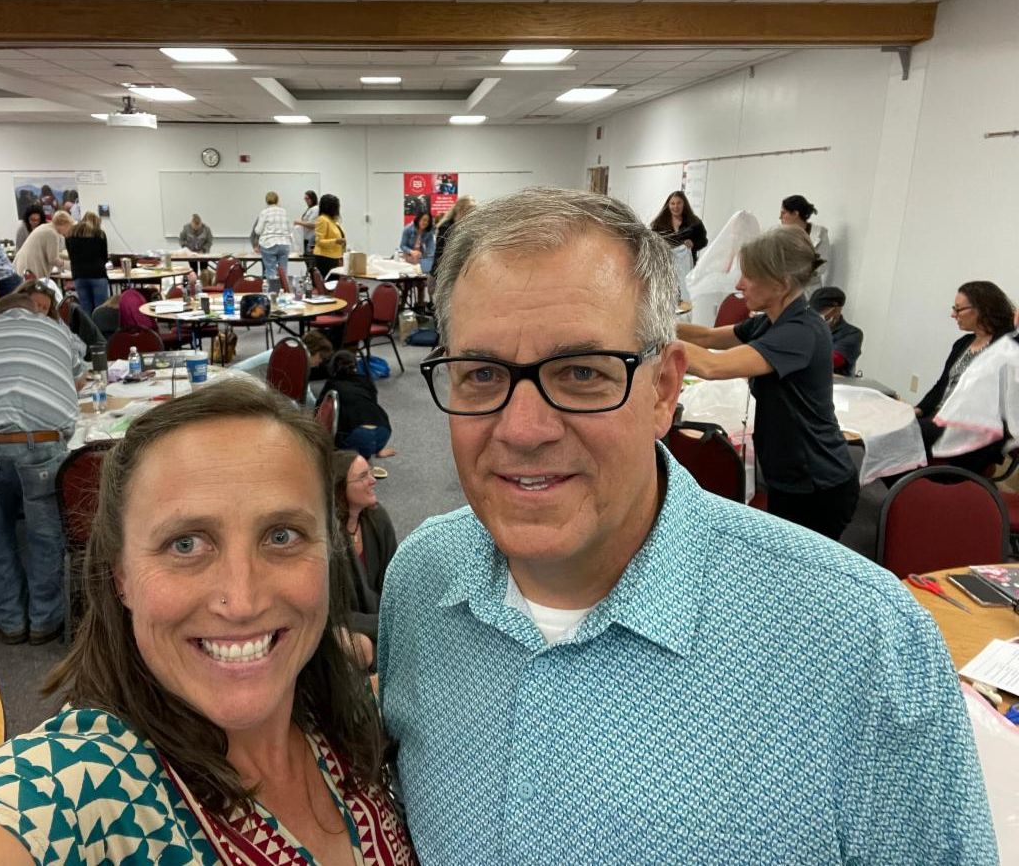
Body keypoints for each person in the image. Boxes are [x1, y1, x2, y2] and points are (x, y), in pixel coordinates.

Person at [377, 187, 995, 864]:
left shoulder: (864, 646)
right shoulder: (420, 579)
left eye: (582, 372)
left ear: (664, 391)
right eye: (481, 373)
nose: (523, 429)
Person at [0, 381, 416, 866]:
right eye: (186, 543)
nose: (242, 599)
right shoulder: (85, 782)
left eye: (281, 536)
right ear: (121, 576)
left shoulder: (353, 717)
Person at [677, 227, 859, 540]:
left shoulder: (800, 332)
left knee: (797, 566)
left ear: (781, 283)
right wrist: (657, 323)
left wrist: (650, 340)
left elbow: (712, 365)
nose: (739, 285)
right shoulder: (771, 321)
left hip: (817, 484)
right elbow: (707, 338)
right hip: (788, 475)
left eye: (749, 276)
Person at [0, 293, 85, 644]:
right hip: (38, 440)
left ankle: (10, 622)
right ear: (35, 310)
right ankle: (44, 621)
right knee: (45, 535)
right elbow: (79, 379)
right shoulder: (55, 330)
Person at [914, 280, 1014, 474]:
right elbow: (942, 385)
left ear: (982, 309)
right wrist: (917, 410)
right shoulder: (963, 343)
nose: (953, 314)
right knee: (899, 427)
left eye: (958, 309)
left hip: (973, 429)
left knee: (902, 435)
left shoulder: (1007, 347)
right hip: (941, 420)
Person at [330, 449, 399, 670]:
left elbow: (396, 581)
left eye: (370, 472)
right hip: (346, 625)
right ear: (340, 488)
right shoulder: (327, 540)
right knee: (355, 645)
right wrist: (391, 624)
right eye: (362, 477)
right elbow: (332, 615)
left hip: (380, 619)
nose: (372, 480)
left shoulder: (378, 518)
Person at [318, 351, 395, 467]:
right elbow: (372, 403)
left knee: (339, 440)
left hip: (358, 435)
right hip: (383, 432)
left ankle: (359, 455)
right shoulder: (366, 380)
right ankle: (374, 450)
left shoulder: (332, 384)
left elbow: (320, 412)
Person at [231, 330, 334, 407]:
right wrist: (319, 411)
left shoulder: (295, 350)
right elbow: (305, 395)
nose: (319, 363)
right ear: (315, 349)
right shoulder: (299, 357)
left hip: (237, 376)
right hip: (237, 383)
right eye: (321, 357)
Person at [780, 194, 830, 291]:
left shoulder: (819, 234)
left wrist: (797, 271)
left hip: (810, 291)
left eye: (783, 213)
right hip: (787, 290)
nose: (780, 217)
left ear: (795, 214)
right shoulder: (781, 236)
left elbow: (822, 266)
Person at [64, 210, 110, 317]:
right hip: (98, 275)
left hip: (79, 275)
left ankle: (87, 327)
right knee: (100, 309)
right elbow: (104, 256)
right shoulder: (99, 234)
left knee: (85, 308)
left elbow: (70, 255)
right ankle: (99, 327)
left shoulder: (70, 235)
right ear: (96, 222)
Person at [810, 285, 863, 377]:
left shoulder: (852, 334)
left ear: (837, 310)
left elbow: (831, 361)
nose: (816, 314)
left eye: (822, 310)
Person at [649, 190, 707, 262]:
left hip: (688, 264)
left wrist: (693, 243)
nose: (676, 206)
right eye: (672, 203)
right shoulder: (659, 223)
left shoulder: (694, 222)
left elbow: (703, 240)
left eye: (679, 203)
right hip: (666, 264)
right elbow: (652, 241)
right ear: (668, 205)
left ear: (684, 204)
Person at [14, 210, 73, 280]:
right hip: (31, 269)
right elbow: (53, 259)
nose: (68, 230)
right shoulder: (52, 233)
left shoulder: (45, 227)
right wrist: (71, 265)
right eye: (68, 227)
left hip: (23, 266)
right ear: (63, 224)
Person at [432, 195, 475, 279]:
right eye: (470, 211)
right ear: (461, 210)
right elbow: (441, 254)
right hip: (441, 274)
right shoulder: (446, 227)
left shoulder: (466, 226)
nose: (471, 215)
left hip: (455, 272)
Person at [254, 191, 293, 277]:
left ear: (266, 201)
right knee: (283, 272)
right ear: (277, 200)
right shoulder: (284, 211)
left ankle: (272, 285)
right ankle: (284, 285)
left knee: (271, 271)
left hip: (269, 243)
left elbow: (258, 231)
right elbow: (290, 229)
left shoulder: (264, 212)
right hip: (284, 243)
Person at [312, 193, 346, 279]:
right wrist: (335, 241)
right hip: (324, 258)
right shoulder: (322, 219)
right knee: (328, 283)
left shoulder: (333, 221)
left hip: (334, 257)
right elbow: (319, 241)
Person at [294, 190, 319, 263]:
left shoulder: (316, 209)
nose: (306, 201)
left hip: (311, 240)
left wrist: (299, 222)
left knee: (311, 262)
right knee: (307, 261)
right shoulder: (310, 209)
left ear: (313, 198)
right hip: (306, 239)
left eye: (308, 198)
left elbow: (313, 225)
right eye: (305, 199)